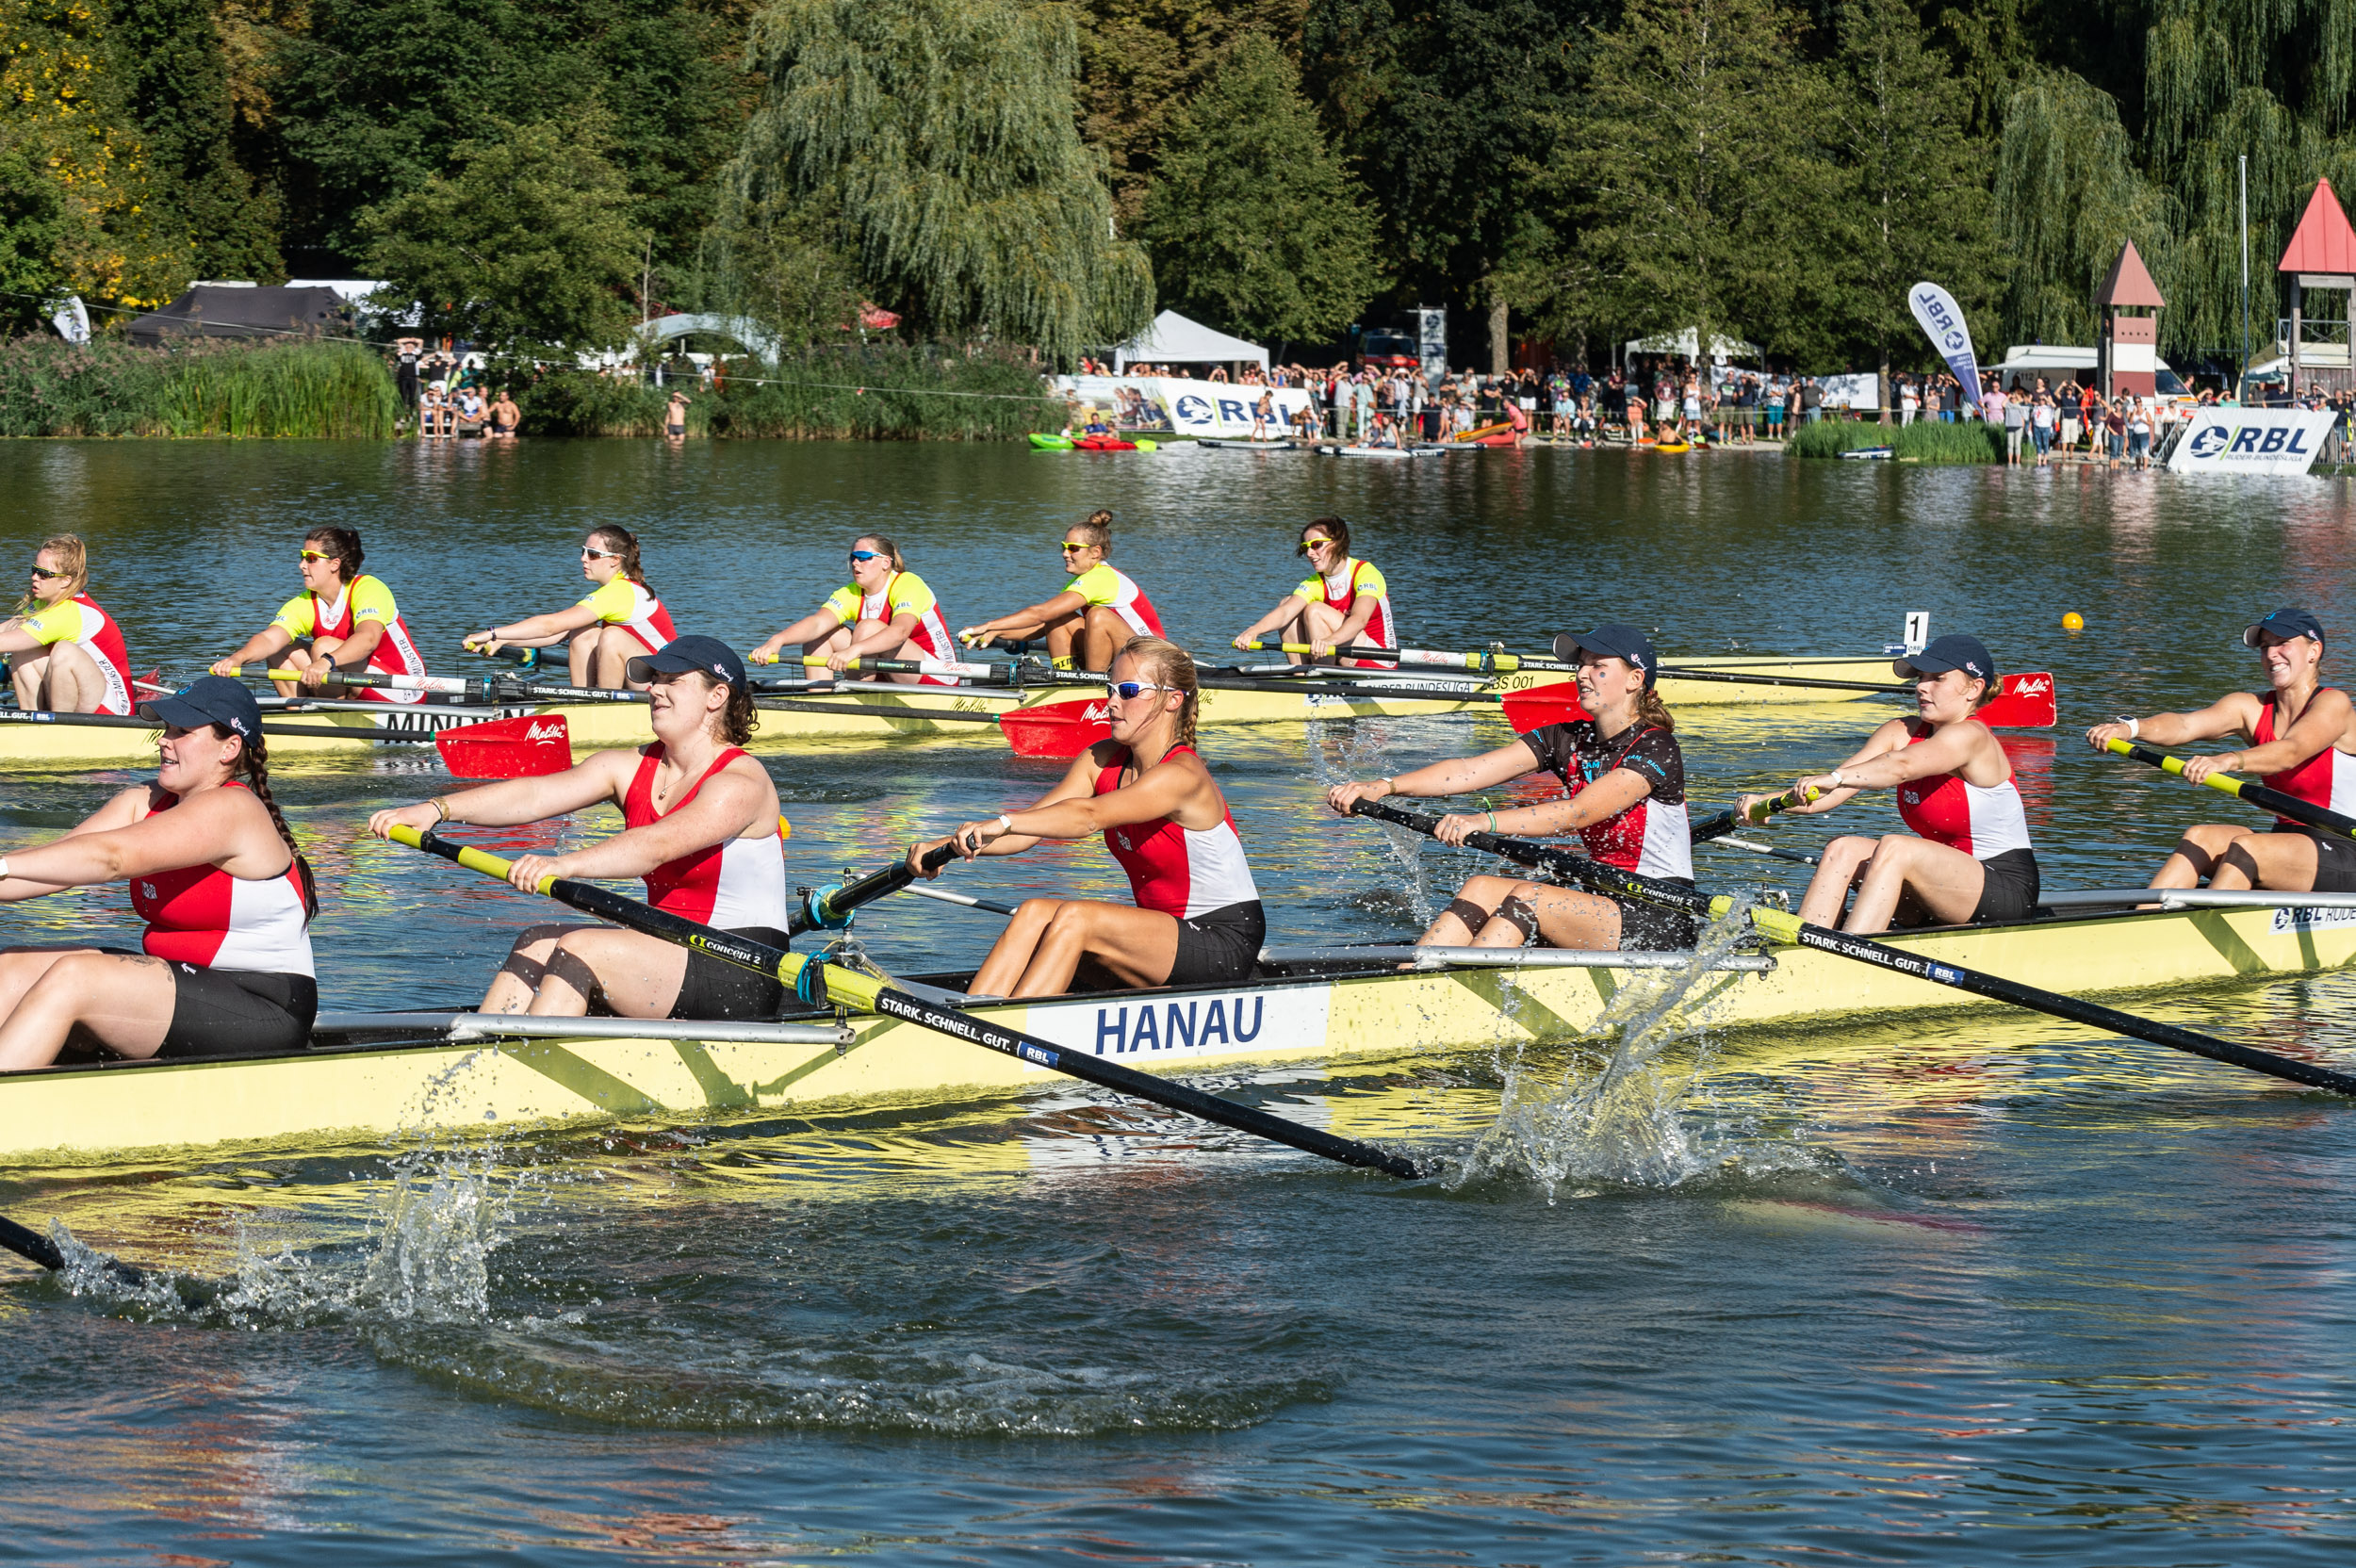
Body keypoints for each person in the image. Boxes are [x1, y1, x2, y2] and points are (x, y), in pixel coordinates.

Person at [367, 637, 790, 1020]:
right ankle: (482, 1047)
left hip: (740, 966)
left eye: (672, 680)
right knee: (537, 940)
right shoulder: (626, 766)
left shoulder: (738, 783)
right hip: (666, 950)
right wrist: (436, 808)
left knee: (582, 947)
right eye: (654, 679)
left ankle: (520, 1068)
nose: (654, 689)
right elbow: (533, 796)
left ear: (717, 696)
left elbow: (655, 846)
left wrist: (564, 865)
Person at [907, 636, 1262, 997]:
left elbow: (1088, 817)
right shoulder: (1102, 758)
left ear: (1172, 700)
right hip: (1161, 937)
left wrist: (1002, 822)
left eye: (1128, 691)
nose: (1111, 702)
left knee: (1078, 917)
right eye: (1110, 689)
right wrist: (945, 846)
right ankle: (970, 1014)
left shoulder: (1182, 774)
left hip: (1221, 942)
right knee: (1033, 912)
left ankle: (1011, 1027)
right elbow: (1030, 829)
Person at [0, 677, 317, 1070]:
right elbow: (55, 865)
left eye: (183, 731)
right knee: (10, 966)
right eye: (167, 729)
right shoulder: (143, 800)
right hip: (182, 985)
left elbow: (110, 858)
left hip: (263, 1004)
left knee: (75, 976)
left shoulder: (234, 809)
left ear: (229, 748)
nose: (165, 740)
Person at [1326, 624, 1695, 952]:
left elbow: (1577, 812)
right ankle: (1415, 974)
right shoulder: (1565, 738)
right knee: (1481, 887)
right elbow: (1469, 770)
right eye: (1581, 665)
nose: (1583, 674)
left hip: (1660, 910)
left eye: (1599, 667)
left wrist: (1484, 821)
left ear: (1635, 680)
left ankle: (1451, 990)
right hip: (1598, 898)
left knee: (1527, 897)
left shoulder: (1656, 746)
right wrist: (1384, 786)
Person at [1739, 634, 2037, 934]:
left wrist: (1835, 778)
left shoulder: (1973, 737)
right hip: (1936, 887)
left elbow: (1901, 767)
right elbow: (1826, 796)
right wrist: (1765, 803)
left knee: (1896, 847)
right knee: (1842, 848)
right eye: (1921, 677)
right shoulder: (1900, 731)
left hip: (2003, 888)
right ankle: (1806, 941)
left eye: (1938, 678)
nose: (1921, 686)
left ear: (1974, 688)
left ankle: (1848, 952)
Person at [2085, 609, 2356, 895]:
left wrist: (2228, 760)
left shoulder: (2334, 704)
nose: (2272, 654)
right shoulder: (2250, 707)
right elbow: (2184, 724)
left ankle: (2192, 932)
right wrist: (2131, 729)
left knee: (2249, 847)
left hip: (2345, 846)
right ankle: (2142, 921)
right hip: (2288, 842)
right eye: (2265, 647)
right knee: (2200, 838)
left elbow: (2290, 751)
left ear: (2314, 651)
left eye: (2282, 643)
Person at [212, 527, 428, 703]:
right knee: (281, 649)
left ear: (335, 564)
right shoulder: (307, 601)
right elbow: (270, 638)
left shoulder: (369, 588)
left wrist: (326, 662)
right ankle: (300, 714)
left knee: (324, 646)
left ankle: (329, 711)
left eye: (311, 559)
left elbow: (368, 640)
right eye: (302, 557)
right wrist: (237, 658)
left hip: (405, 687)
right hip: (354, 680)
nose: (301, 565)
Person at [463, 526, 677, 689]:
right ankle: (585, 704)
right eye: (583, 551)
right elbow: (556, 633)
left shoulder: (620, 592)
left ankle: (606, 710)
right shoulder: (612, 592)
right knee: (583, 632)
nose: (583, 559)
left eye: (592, 554)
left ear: (614, 560)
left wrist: (491, 633)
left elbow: (548, 625)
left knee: (612, 636)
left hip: (667, 686)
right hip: (644, 679)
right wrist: (502, 640)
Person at [957, 511, 1164, 672]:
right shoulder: (1081, 581)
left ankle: (1092, 686)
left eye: (1073, 548)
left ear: (1095, 552)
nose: (1065, 553)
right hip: (1126, 656)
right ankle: (1065, 682)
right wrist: (994, 633)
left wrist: (988, 624)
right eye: (1063, 547)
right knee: (1057, 618)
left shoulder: (1101, 578)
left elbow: (1040, 612)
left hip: (1154, 661)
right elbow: (1041, 624)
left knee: (1097, 615)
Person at [748, 532, 957, 685]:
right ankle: (821, 699)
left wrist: (853, 650)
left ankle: (852, 694)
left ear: (886, 562)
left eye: (864, 558)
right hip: (885, 668)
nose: (856, 563)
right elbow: (817, 623)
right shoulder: (851, 592)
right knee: (821, 634)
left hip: (936, 673)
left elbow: (899, 633)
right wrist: (777, 640)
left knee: (867, 628)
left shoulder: (909, 583)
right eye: (853, 558)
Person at [1231, 517, 1399, 667]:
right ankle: (1301, 675)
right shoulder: (1315, 582)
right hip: (1342, 654)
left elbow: (1359, 619)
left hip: (1379, 659)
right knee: (1287, 603)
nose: (1310, 553)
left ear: (1337, 542)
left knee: (1315, 610)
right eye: (1306, 548)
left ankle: (1322, 678)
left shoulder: (1366, 573)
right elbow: (1284, 613)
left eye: (1316, 545)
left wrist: (1329, 642)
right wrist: (1253, 631)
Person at [0, 533, 134, 715]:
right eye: (34, 569)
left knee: (64, 651)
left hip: (113, 709)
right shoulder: (45, 602)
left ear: (65, 581)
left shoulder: (69, 612)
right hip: (82, 693)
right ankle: (31, 719)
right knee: (24, 648)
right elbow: (9, 629)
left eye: (44, 574)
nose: (34, 577)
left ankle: (62, 726)